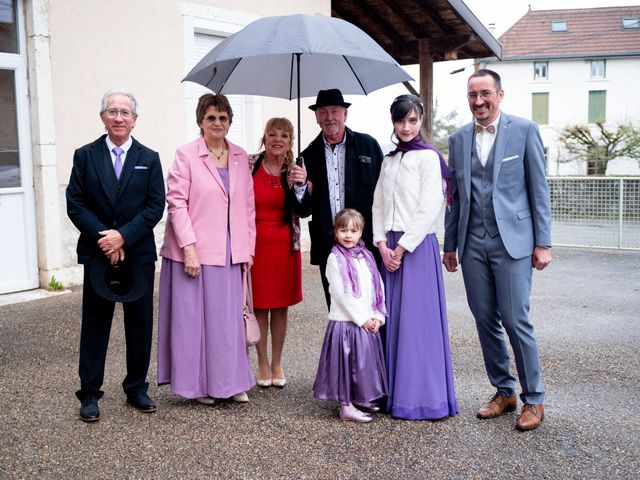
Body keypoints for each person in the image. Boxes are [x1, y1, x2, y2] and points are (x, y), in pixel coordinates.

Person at [443, 69, 552, 431]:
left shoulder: (523, 130)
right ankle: (504, 391)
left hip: (514, 242)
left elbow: (539, 190)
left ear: (500, 95)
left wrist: (543, 242)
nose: (479, 101)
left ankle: (533, 399)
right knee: (484, 318)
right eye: (472, 95)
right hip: (472, 241)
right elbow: (454, 198)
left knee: (515, 319)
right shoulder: (458, 139)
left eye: (485, 93)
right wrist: (450, 244)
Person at [66, 90, 165, 422]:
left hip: (137, 254)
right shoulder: (85, 155)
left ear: (135, 119)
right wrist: (105, 238)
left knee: (139, 325)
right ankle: (90, 394)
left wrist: (124, 236)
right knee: (95, 326)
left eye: (125, 112)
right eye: (113, 111)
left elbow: (155, 205)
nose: (119, 117)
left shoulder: (149, 158)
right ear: (103, 117)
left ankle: (136, 388)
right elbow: (75, 202)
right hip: (97, 252)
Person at [157, 93, 256, 405]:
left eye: (223, 118)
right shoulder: (186, 155)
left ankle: (230, 382)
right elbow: (176, 203)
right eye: (211, 117)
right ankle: (197, 386)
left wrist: (248, 249)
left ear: (230, 122)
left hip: (230, 252)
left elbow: (248, 208)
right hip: (195, 252)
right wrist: (189, 248)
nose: (217, 123)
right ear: (200, 121)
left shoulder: (241, 157)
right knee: (194, 323)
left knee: (227, 322)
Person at [372, 94, 458, 421]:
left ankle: (419, 399)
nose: (405, 127)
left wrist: (402, 247)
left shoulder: (429, 158)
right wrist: (381, 243)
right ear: (393, 122)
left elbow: (429, 208)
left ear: (420, 120)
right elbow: (378, 205)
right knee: (390, 321)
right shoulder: (389, 160)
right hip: (388, 250)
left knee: (415, 325)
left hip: (415, 248)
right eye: (400, 120)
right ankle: (389, 393)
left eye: (412, 120)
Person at [292, 89, 383, 308]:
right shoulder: (307, 156)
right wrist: (301, 186)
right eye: (323, 112)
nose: (329, 117)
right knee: (337, 307)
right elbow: (302, 210)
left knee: (371, 305)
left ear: (345, 114)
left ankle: (373, 344)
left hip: (366, 242)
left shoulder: (367, 146)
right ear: (316, 118)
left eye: (334, 111)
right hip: (329, 245)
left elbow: (385, 194)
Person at [313, 209, 388, 423]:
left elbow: (377, 287)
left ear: (361, 233)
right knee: (346, 366)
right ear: (335, 232)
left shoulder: (367, 257)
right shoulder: (334, 259)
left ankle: (359, 398)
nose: (348, 235)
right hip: (346, 323)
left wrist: (377, 316)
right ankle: (346, 406)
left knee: (362, 364)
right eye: (343, 230)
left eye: (353, 231)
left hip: (365, 321)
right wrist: (363, 319)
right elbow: (343, 294)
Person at [250, 117, 309, 388]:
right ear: (264, 138)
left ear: (290, 143)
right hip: (256, 245)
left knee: (281, 306)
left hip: (285, 245)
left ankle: (277, 362)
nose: (277, 140)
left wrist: (300, 186)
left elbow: (305, 210)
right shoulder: (250, 166)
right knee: (260, 305)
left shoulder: (296, 171)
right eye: (272, 134)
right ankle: (262, 363)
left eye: (284, 136)